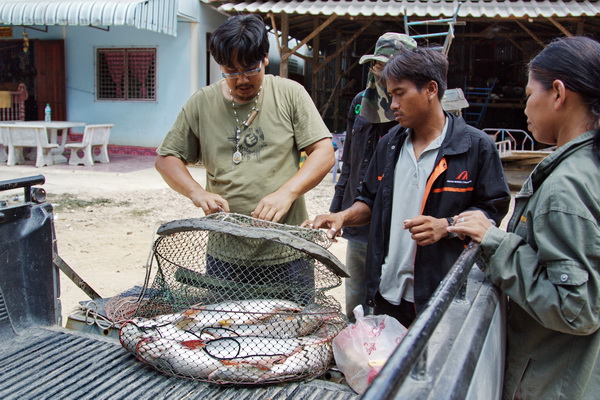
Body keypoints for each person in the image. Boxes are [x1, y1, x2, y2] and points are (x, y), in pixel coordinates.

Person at [309, 47, 510, 327]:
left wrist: (447, 225)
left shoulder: (475, 147)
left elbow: (491, 211)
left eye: (400, 93)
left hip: (443, 294)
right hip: (388, 292)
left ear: (430, 89)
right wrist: (342, 216)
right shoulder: (389, 144)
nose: (392, 104)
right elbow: (369, 200)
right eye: (391, 95)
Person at [448, 36, 600, 400]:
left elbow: (576, 309)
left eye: (531, 94)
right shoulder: (589, 167)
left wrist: (495, 242)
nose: (526, 108)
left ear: (559, 93)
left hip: (553, 380)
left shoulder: (565, 188)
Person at [155, 14, 335, 304]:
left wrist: (286, 194)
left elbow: (324, 153)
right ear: (220, 65)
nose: (241, 80)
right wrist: (197, 193)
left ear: (265, 58)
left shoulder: (290, 94)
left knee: (293, 332)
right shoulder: (202, 102)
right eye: (230, 70)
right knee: (228, 333)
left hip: (289, 252)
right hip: (225, 254)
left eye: (250, 68)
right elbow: (166, 159)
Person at [329, 32, 417, 321]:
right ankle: (354, 352)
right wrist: (338, 211)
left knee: (387, 299)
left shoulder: (411, 110)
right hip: (358, 216)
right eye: (377, 66)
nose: (380, 74)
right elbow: (349, 161)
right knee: (355, 296)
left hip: (394, 225)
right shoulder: (359, 103)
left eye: (387, 67)